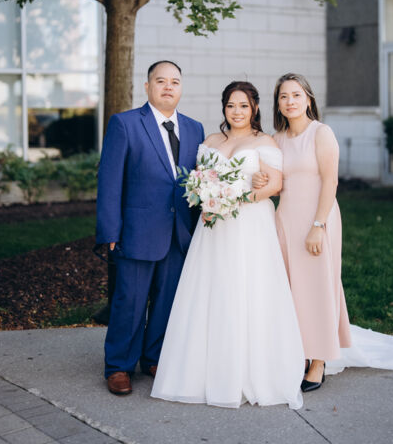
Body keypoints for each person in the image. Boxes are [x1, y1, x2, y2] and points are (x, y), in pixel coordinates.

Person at [253, 72, 393, 392]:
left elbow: (331, 181)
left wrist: (318, 226)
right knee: (293, 289)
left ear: (308, 99)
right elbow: (277, 182)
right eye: (283, 96)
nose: (290, 101)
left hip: (318, 218)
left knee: (318, 287)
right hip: (286, 220)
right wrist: (262, 181)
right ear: (278, 103)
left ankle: (318, 360)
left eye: (296, 95)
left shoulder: (321, 133)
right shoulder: (278, 138)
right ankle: (300, 351)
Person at [151, 81, 306, 409]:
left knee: (246, 290)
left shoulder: (264, 142)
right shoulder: (210, 141)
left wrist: (235, 197)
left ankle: (249, 370)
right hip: (213, 228)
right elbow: (198, 180)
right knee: (212, 290)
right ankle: (202, 371)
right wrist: (206, 195)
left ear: (255, 109)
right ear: (224, 108)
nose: (237, 112)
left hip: (250, 227)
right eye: (231, 105)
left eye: (244, 106)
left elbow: (275, 185)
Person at [96, 60, 204, 395]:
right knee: (130, 301)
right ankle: (119, 365)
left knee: (167, 299)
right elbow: (109, 181)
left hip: (179, 232)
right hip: (137, 232)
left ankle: (154, 356)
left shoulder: (195, 129)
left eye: (175, 81)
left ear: (181, 88)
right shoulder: (125, 124)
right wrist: (110, 232)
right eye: (161, 81)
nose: (168, 87)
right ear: (147, 86)